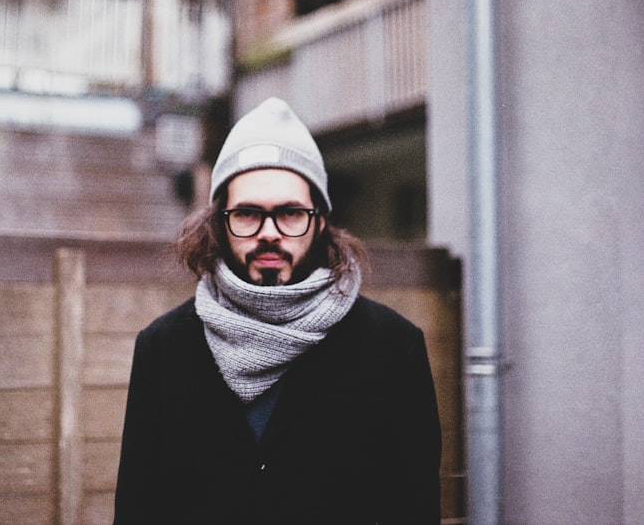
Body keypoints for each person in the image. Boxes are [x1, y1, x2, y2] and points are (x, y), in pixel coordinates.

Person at [114, 98, 441, 525]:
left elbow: (413, 509)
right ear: (218, 221)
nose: (269, 234)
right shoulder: (164, 347)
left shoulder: (393, 347)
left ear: (320, 220)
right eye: (248, 214)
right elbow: (139, 509)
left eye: (290, 213)